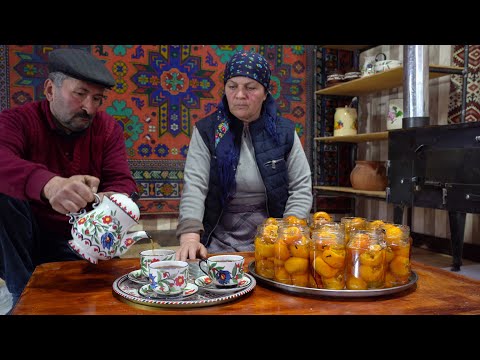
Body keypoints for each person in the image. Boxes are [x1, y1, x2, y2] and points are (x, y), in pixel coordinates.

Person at [0, 48, 138, 308]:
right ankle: (23, 298)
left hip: (78, 241)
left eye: (97, 99)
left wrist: (110, 200)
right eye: (80, 94)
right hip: (23, 242)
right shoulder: (17, 121)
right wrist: (49, 185)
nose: (89, 108)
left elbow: (123, 181)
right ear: (50, 90)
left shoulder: (107, 128)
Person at [175, 51, 312, 261]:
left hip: (272, 241)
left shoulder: (284, 131)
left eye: (250, 87)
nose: (240, 95)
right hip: (218, 242)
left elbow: (300, 188)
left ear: (265, 92)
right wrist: (190, 238)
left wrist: (287, 237)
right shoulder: (207, 131)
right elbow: (195, 186)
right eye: (232, 86)